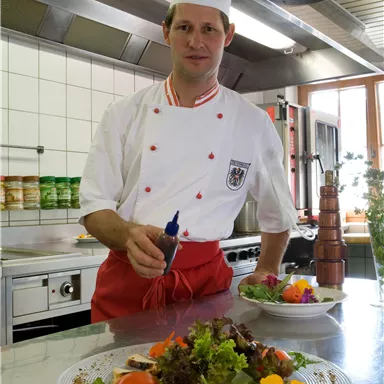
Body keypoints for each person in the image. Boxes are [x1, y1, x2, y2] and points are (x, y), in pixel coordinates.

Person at [79, 0, 300, 323]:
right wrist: (128, 235)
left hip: (206, 291)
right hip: (128, 287)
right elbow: (93, 208)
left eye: (208, 29)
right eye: (184, 27)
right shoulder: (124, 113)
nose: (196, 41)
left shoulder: (252, 123)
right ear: (166, 32)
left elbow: (277, 213)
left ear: (228, 35)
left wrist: (266, 268)